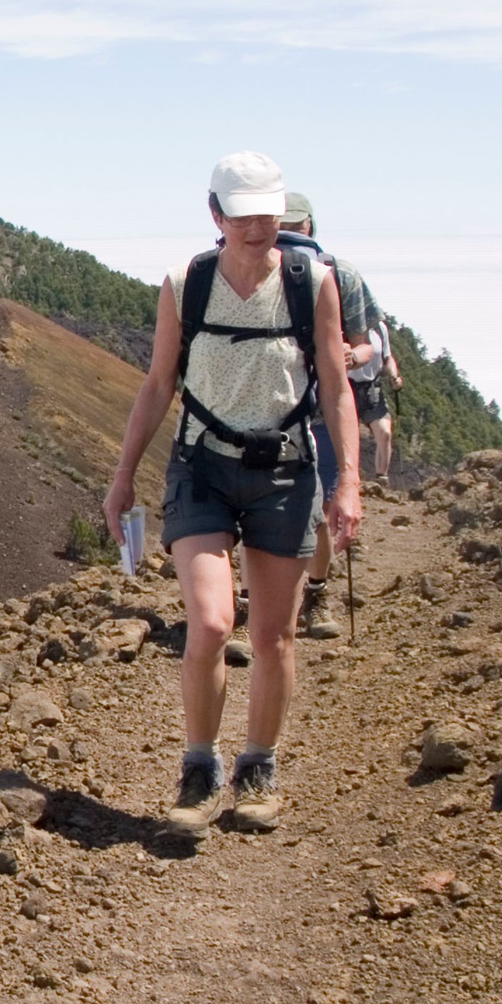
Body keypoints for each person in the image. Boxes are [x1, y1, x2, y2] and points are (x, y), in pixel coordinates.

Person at [102, 152, 362, 837]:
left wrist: (349, 481)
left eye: (267, 212)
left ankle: (258, 767)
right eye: (242, 213)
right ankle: (199, 768)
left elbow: (335, 385)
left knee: (274, 633)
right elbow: (159, 383)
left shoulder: (312, 283)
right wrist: (123, 475)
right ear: (215, 214)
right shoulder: (188, 283)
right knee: (213, 622)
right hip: (204, 467)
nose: (257, 226)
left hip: (284, 468)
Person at [276, 192, 397, 639]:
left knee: (321, 510)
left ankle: (316, 593)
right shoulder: (253, 273)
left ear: (309, 225)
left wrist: (348, 355)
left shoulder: (339, 275)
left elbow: (369, 343)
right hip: (276, 411)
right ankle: (259, 604)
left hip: (324, 412)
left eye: (295, 224)